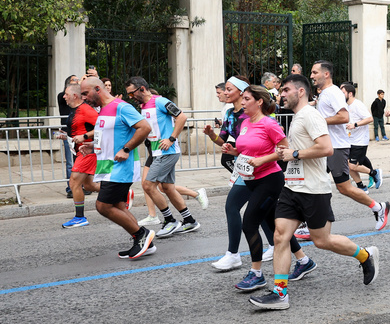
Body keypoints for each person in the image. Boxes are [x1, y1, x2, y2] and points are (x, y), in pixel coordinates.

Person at [250, 74, 380, 310]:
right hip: (292, 186)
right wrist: (281, 154)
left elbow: (327, 148)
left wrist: (296, 154)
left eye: (286, 90)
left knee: (322, 241)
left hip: (314, 190)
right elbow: (296, 150)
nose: (282, 94)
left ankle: (364, 256)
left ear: (300, 92)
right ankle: (280, 293)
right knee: (281, 236)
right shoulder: (298, 116)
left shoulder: (311, 115)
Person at [222, 84, 313, 292]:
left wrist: (263, 159)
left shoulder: (269, 124)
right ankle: (303, 260)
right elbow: (246, 151)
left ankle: (256, 274)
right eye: (242, 99)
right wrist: (233, 150)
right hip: (251, 179)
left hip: (270, 181)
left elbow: (285, 150)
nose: (242, 103)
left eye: (246, 99)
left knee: (249, 224)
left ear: (259, 101)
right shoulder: (245, 123)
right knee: (275, 227)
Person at [203, 77, 275, 271]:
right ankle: (286, 250)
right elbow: (224, 140)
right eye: (224, 90)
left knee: (234, 207)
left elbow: (278, 144)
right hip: (244, 167)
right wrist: (212, 135)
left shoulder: (254, 116)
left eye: (228, 89)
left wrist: (259, 158)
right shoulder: (230, 113)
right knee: (263, 212)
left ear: (243, 93)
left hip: (261, 170)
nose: (225, 93)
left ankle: (234, 255)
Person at [79, 77, 154, 260]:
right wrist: (92, 147)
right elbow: (109, 136)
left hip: (120, 167)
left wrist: (126, 149)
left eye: (85, 93)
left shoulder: (122, 107)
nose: (84, 98)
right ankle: (144, 243)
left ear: (98, 89)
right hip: (107, 167)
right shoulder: (103, 110)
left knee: (103, 206)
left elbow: (144, 128)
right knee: (119, 206)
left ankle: (142, 235)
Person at [310, 61, 390, 230]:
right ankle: (315, 221)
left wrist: (319, 121)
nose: (311, 76)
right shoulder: (324, 94)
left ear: (326, 74)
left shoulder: (333, 93)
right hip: (324, 146)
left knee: (344, 187)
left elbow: (344, 117)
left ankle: (378, 207)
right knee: (314, 182)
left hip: (336, 147)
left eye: (314, 72)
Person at [125, 77, 201, 238]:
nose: (131, 97)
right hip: (158, 152)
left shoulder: (160, 101)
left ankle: (170, 221)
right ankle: (189, 220)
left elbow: (182, 117)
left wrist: (171, 138)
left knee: (148, 185)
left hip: (167, 152)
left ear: (142, 89)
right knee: (167, 188)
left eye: (132, 94)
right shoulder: (143, 106)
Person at [59, 82, 100, 227]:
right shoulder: (74, 110)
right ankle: (123, 194)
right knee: (89, 185)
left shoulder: (86, 110)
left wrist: (85, 137)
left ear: (75, 96)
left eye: (66, 94)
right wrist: (66, 136)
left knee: (74, 182)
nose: (64, 97)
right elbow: (77, 130)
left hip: (87, 151)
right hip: (79, 151)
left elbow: (103, 126)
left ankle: (80, 217)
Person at [341, 82, 382, 191]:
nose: (341, 95)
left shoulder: (357, 104)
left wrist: (355, 125)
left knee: (352, 166)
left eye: (343, 92)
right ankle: (361, 186)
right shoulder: (346, 106)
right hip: (350, 140)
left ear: (350, 94)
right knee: (348, 165)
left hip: (359, 141)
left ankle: (374, 173)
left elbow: (369, 118)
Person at [57, 74, 80, 198]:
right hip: (68, 133)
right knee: (70, 162)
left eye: (78, 81)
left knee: (81, 160)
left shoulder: (80, 98)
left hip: (80, 133)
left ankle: (82, 185)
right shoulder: (63, 96)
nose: (77, 82)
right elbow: (63, 97)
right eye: (74, 81)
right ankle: (70, 187)